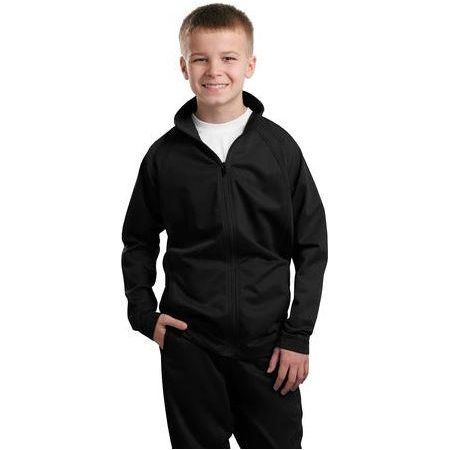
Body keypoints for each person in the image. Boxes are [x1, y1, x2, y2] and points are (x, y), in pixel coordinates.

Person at [121, 3, 328, 448]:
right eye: (201, 58)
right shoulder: (164, 156)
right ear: (184, 66)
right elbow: (138, 240)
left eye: (228, 58)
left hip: (269, 349)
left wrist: (298, 336)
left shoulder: (279, 149)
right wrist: (143, 314)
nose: (215, 70)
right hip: (190, 343)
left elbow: (312, 246)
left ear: (249, 65)